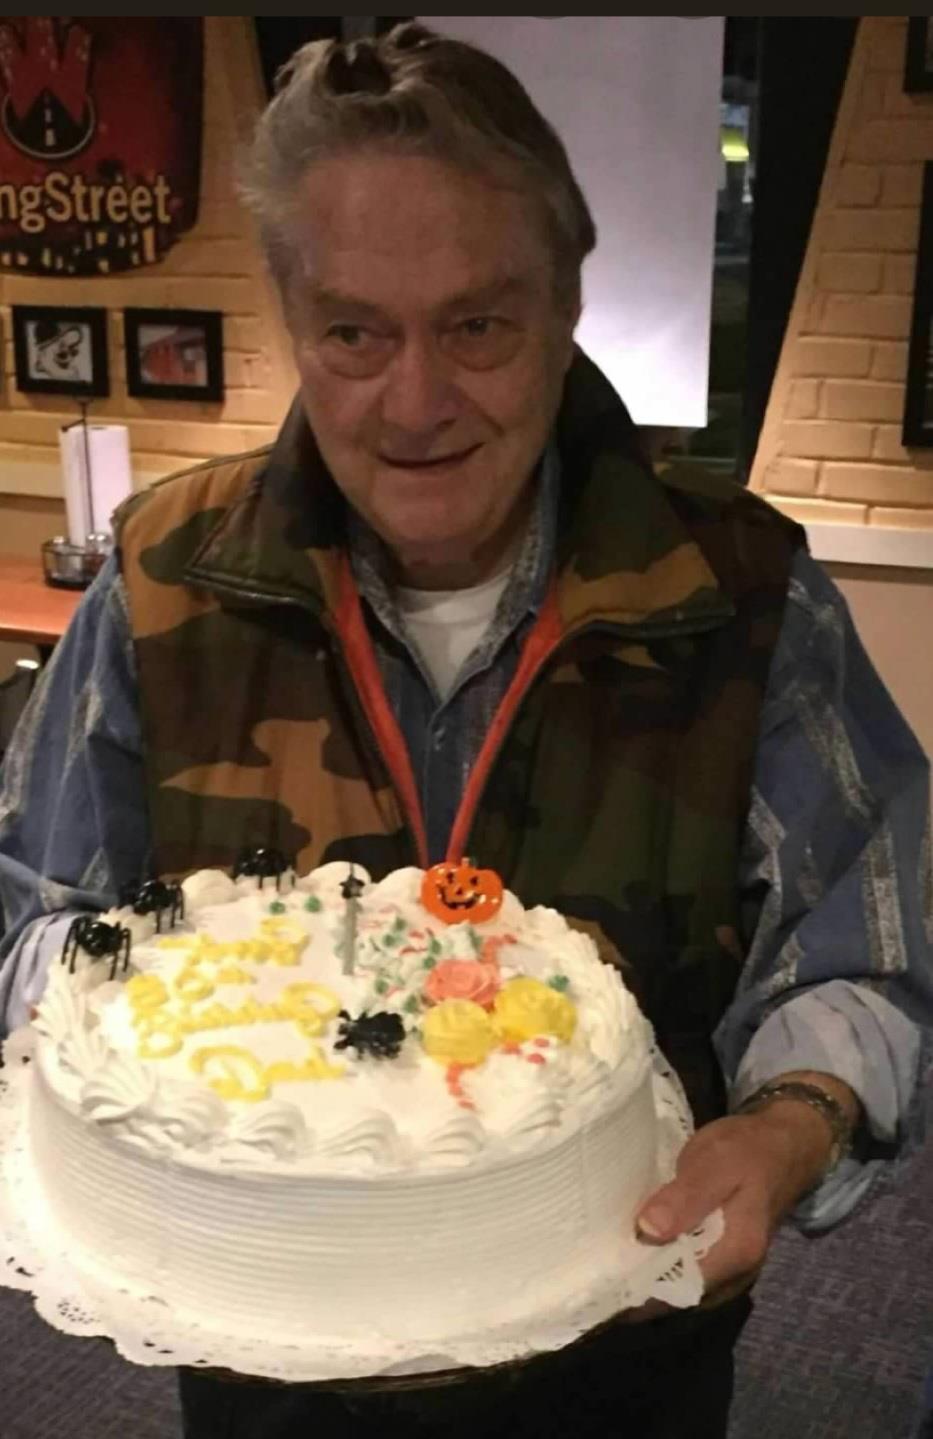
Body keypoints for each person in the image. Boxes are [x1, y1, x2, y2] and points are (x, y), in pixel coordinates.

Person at [0, 22, 929, 1439]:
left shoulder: (742, 596)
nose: (417, 401)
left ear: (565, 310)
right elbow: (28, 910)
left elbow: (867, 948)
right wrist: (125, 1042)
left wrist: (791, 1120)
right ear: (292, 317)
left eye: (479, 325)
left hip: (622, 1351)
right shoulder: (160, 580)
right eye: (355, 332)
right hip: (264, 1364)